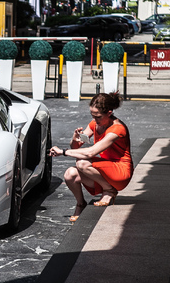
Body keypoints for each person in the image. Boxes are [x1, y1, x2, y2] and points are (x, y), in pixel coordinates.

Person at [49, 93, 133, 222]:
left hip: (120, 171)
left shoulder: (117, 129)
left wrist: (63, 152)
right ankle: (80, 204)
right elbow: (76, 147)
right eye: (92, 116)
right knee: (70, 174)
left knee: (82, 163)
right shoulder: (95, 123)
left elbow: (90, 153)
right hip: (104, 170)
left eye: (98, 116)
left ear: (109, 113)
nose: (95, 119)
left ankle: (109, 190)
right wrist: (75, 139)